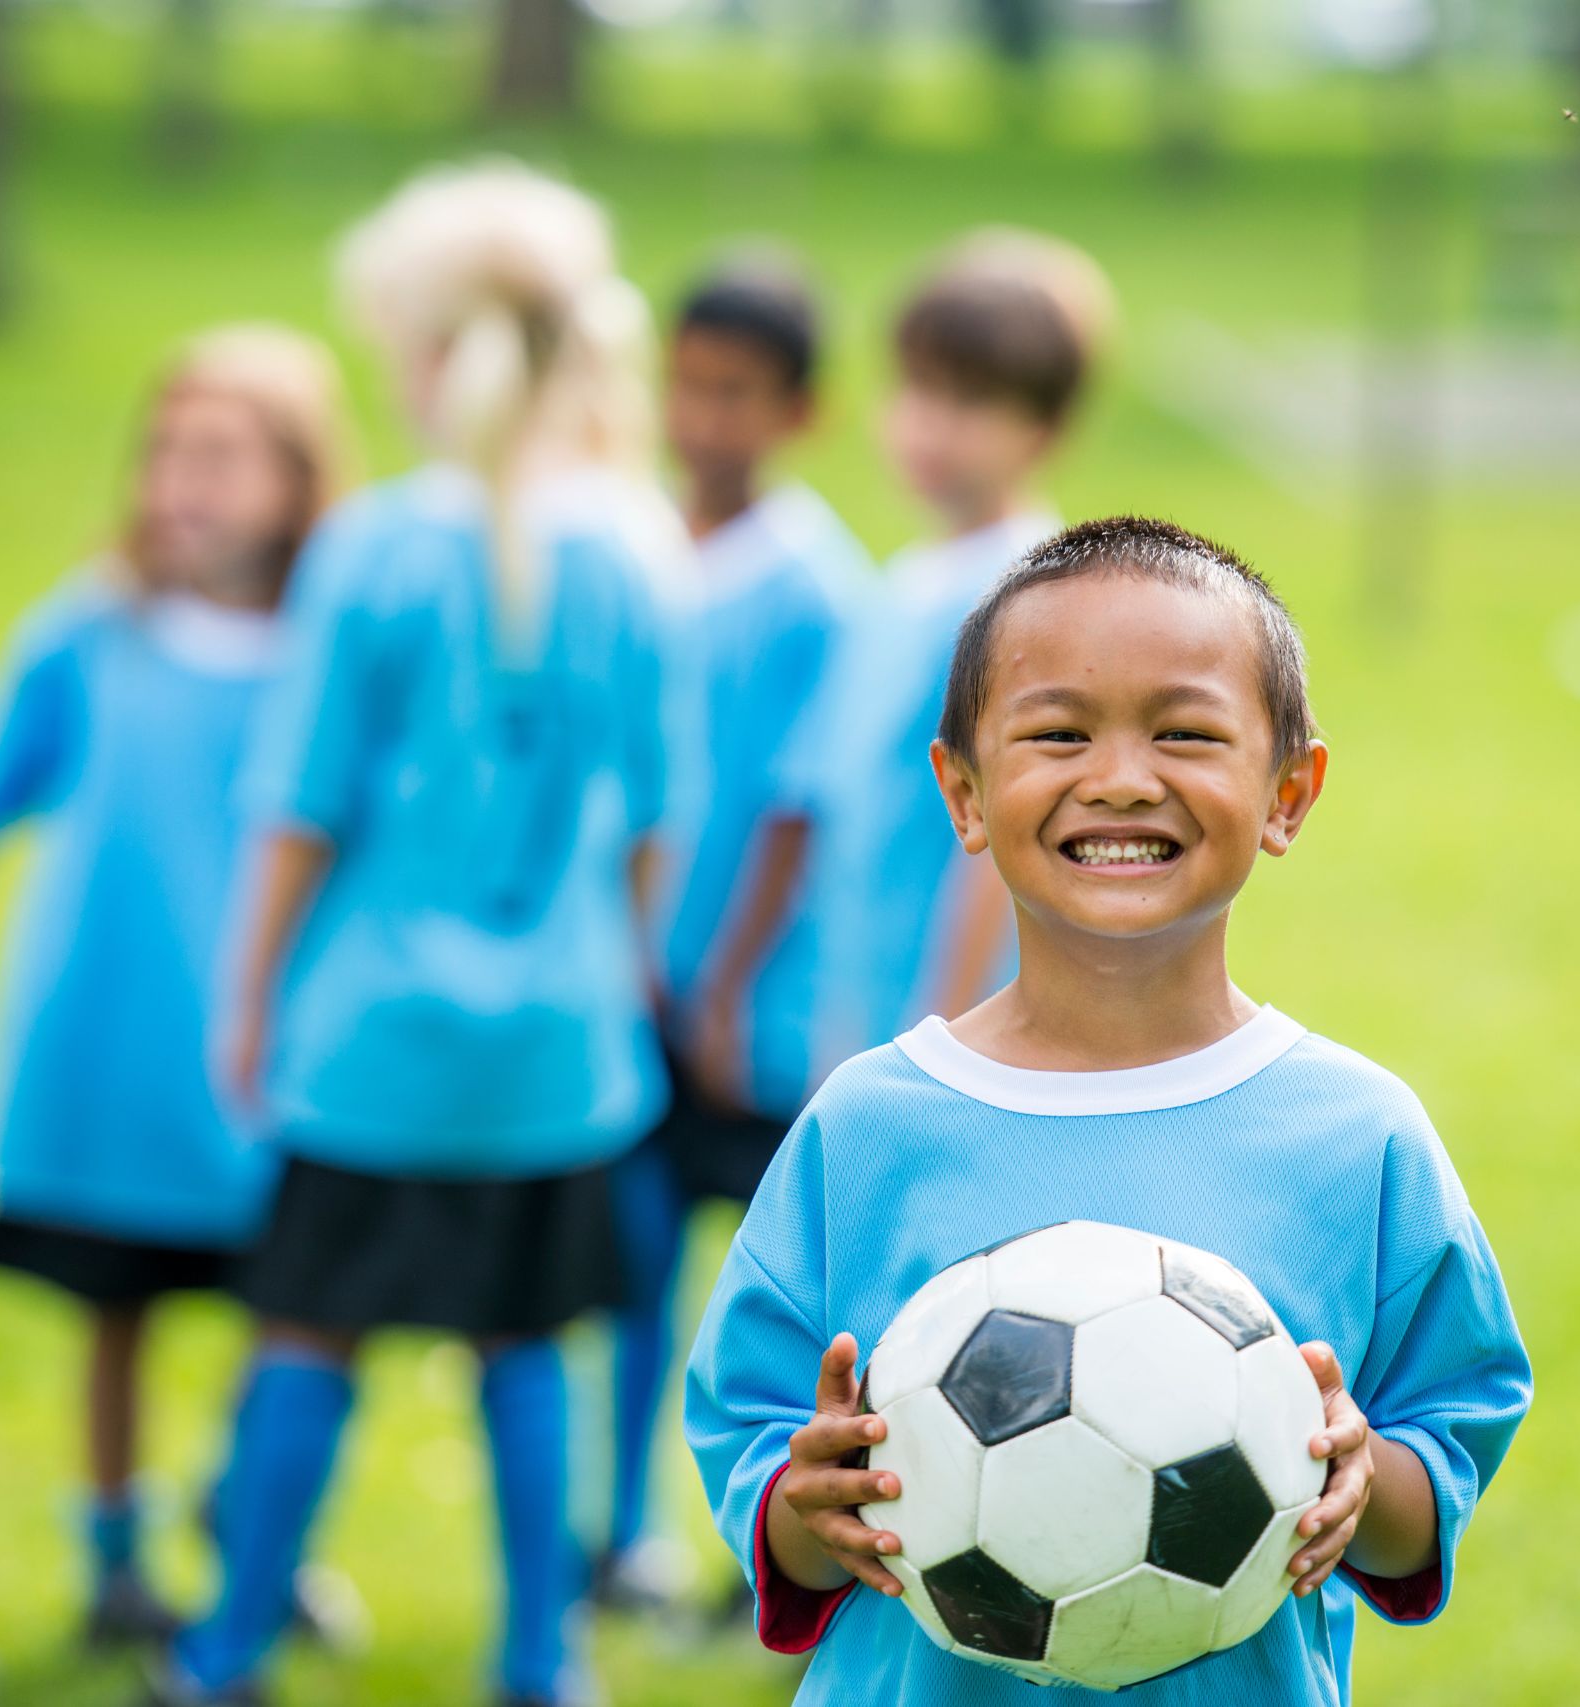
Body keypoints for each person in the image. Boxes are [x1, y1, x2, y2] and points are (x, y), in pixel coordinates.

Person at [685, 517, 1532, 1703]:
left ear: (1288, 791)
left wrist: (1359, 1479)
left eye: (1184, 733)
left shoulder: (1357, 1138)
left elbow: (1436, 1464)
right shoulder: (868, 1127)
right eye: (1058, 735)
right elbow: (753, 1436)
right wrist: (801, 1509)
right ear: (965, 794)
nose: (1121, 779)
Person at [144, 162, 677, 1707]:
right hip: (561, 1050)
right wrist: (618, 975)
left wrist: (246, 995)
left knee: (304, 1331)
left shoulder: (373, 548)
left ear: (428, 353)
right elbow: (661, 818)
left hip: (372, 1041)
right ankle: (542, 1655)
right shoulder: (634, 559)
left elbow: (297, 803)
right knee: (531, 1342)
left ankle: (227, 1649)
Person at [0, 326, 355, 1648]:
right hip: (109, 1040)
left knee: (285, 1315)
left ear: (301, 481)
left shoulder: (329, 645)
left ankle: (255, 1535)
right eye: (171, 451)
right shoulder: (93, 629)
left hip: (268, 1048)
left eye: (226, 457)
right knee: (114, 1311)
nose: (188, 481)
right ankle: (113, 1559)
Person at [598, 256, 871, 1616]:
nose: (704, 416)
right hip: (628, 986)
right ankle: (613, 1530)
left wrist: (722, 980)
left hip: (751, 1007)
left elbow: (795, 806)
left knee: (771, 1291)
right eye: (688, 384)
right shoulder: (625, 541)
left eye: (737, 393)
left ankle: (764, 1544)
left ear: (797, 410)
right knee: (628, 1267)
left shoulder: (819, 581)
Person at [787, 230, 1114, 1086]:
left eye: (970, 404)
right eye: (919, 392)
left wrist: (947, 1028)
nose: (931, 427)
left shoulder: (1027, 595)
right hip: (863, 999)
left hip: (956, 1027)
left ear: (1042, 427)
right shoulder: (904, 581)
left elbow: (1002, 850)